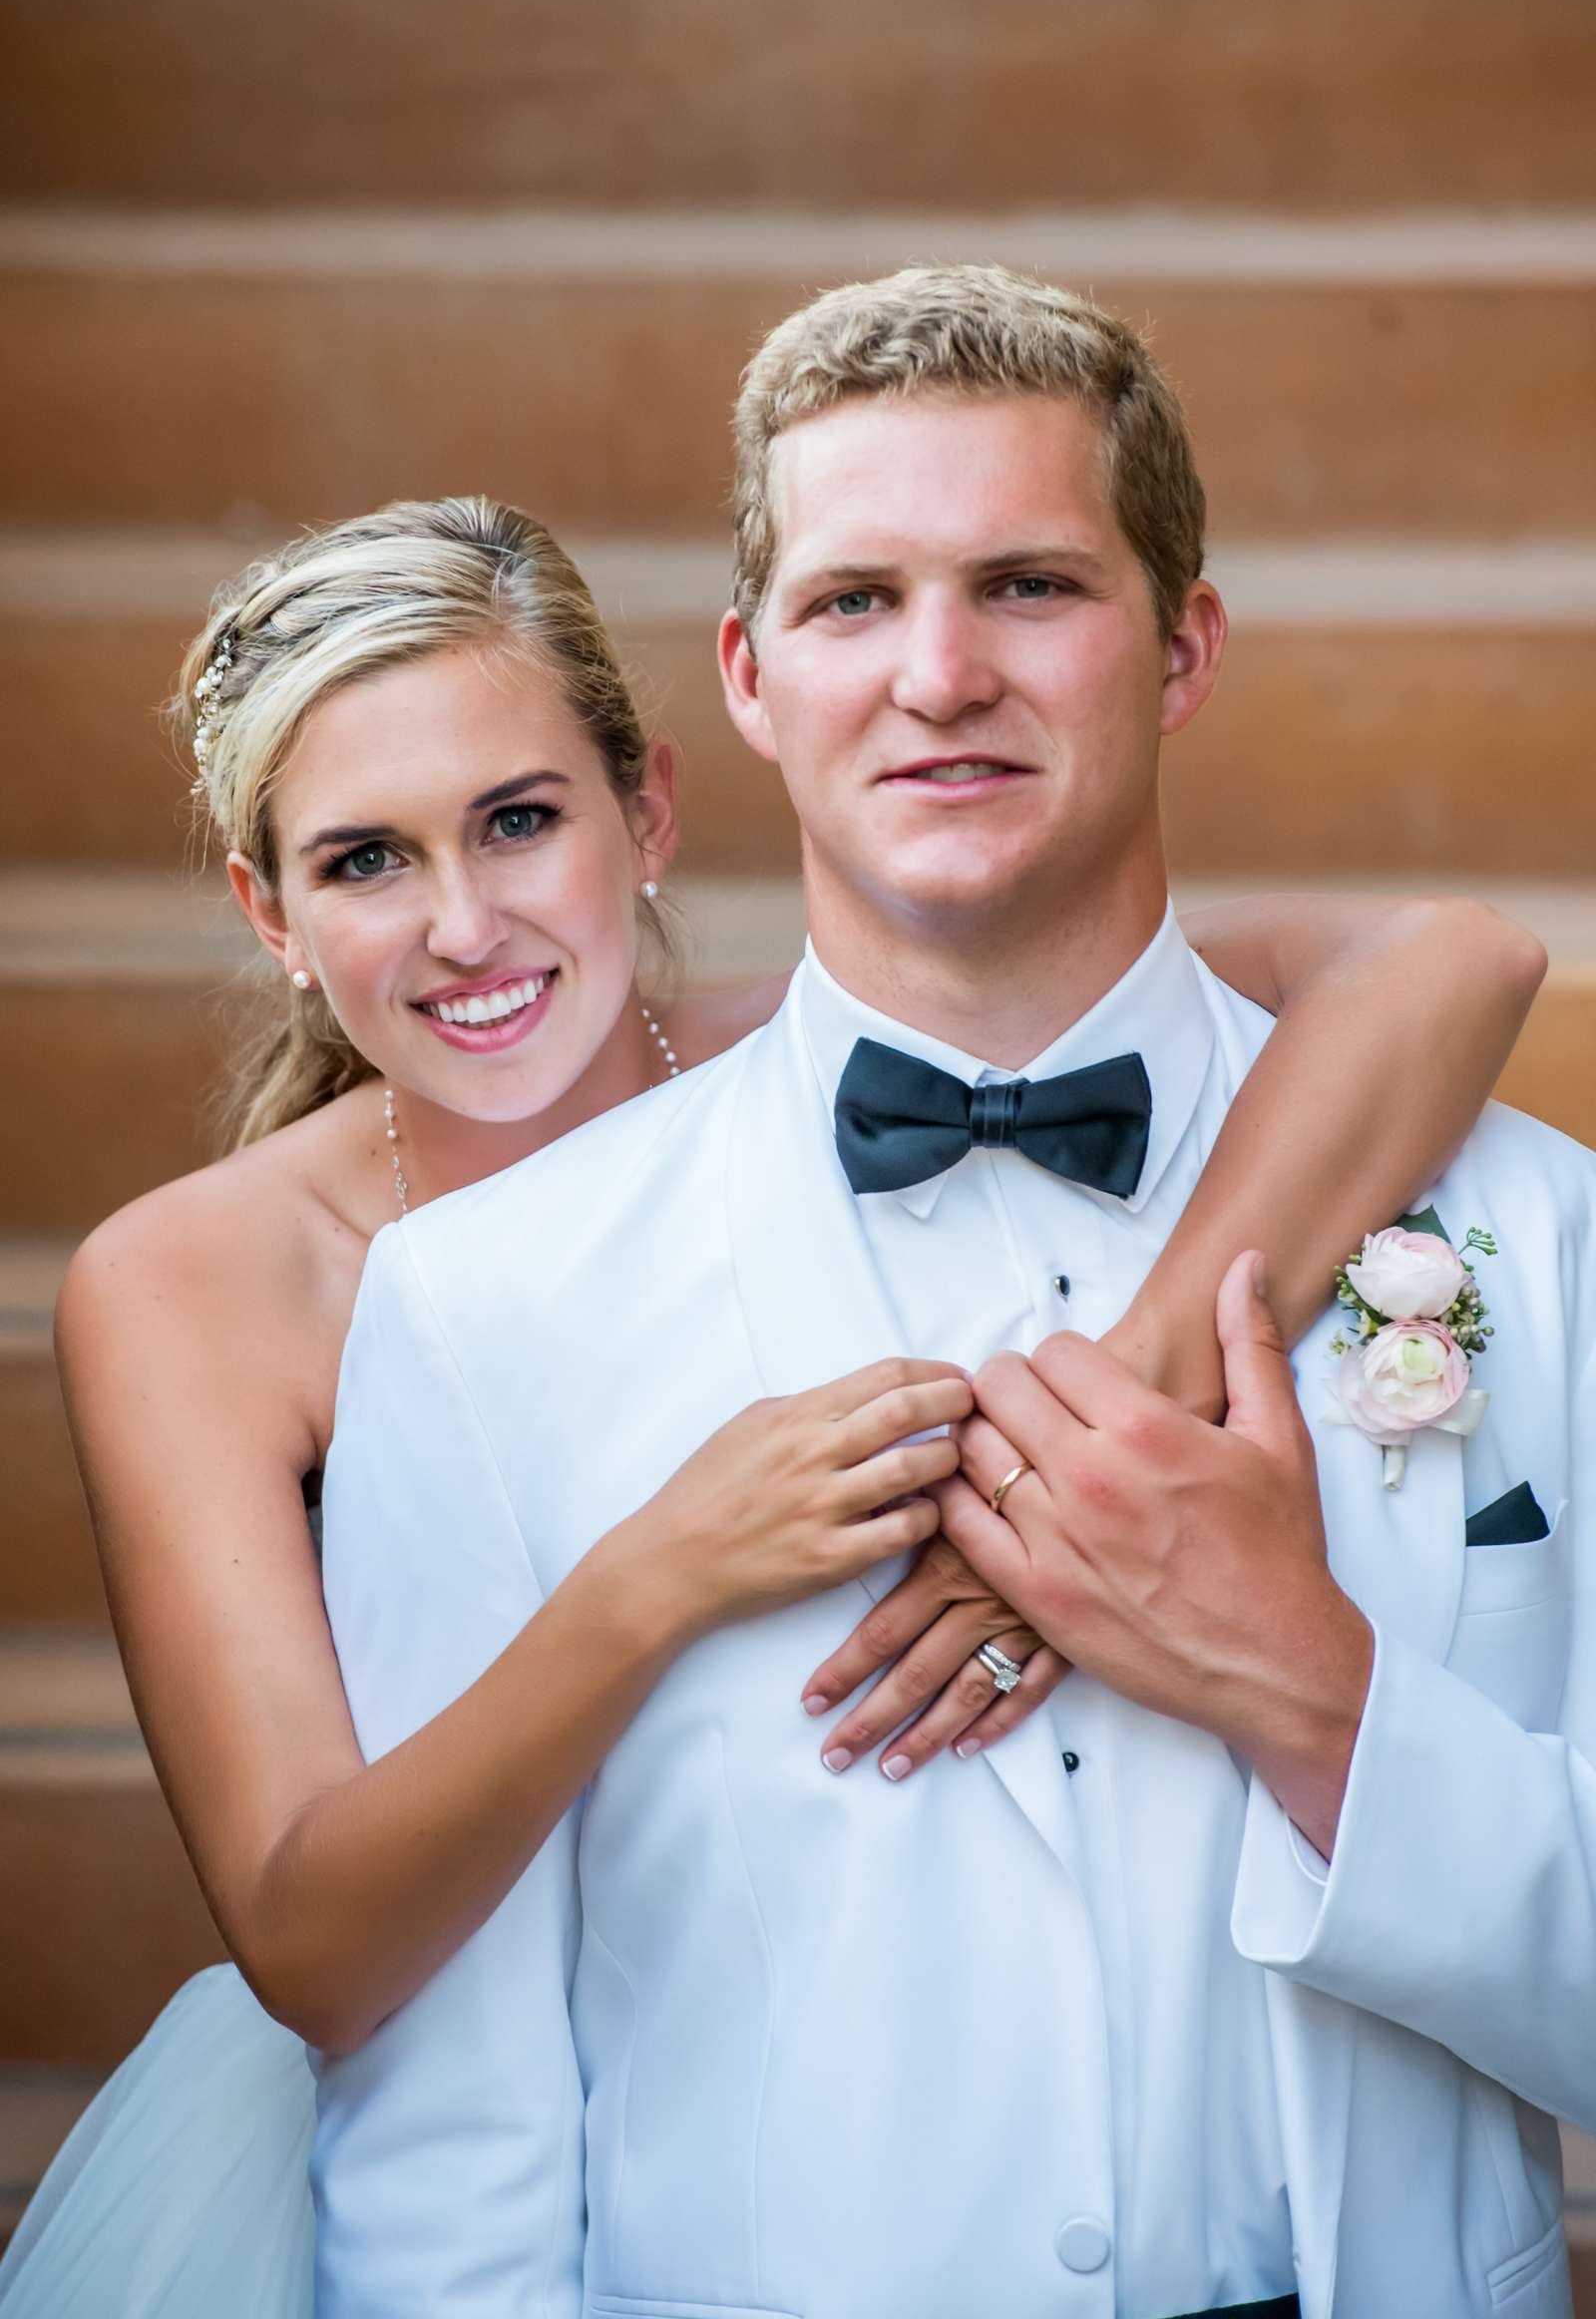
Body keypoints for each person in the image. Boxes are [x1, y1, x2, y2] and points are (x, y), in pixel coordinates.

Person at [0, 481, 1541, 2318]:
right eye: (364, 862)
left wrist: (1128, 1405)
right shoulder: (202, 1279)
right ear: (269, 911)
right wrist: (657, 1573)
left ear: (645, 811)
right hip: (466, 2121)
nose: (468, 928)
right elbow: (316, 1940)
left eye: (518, 820)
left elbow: (1451, 957)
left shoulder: (829, 1047)